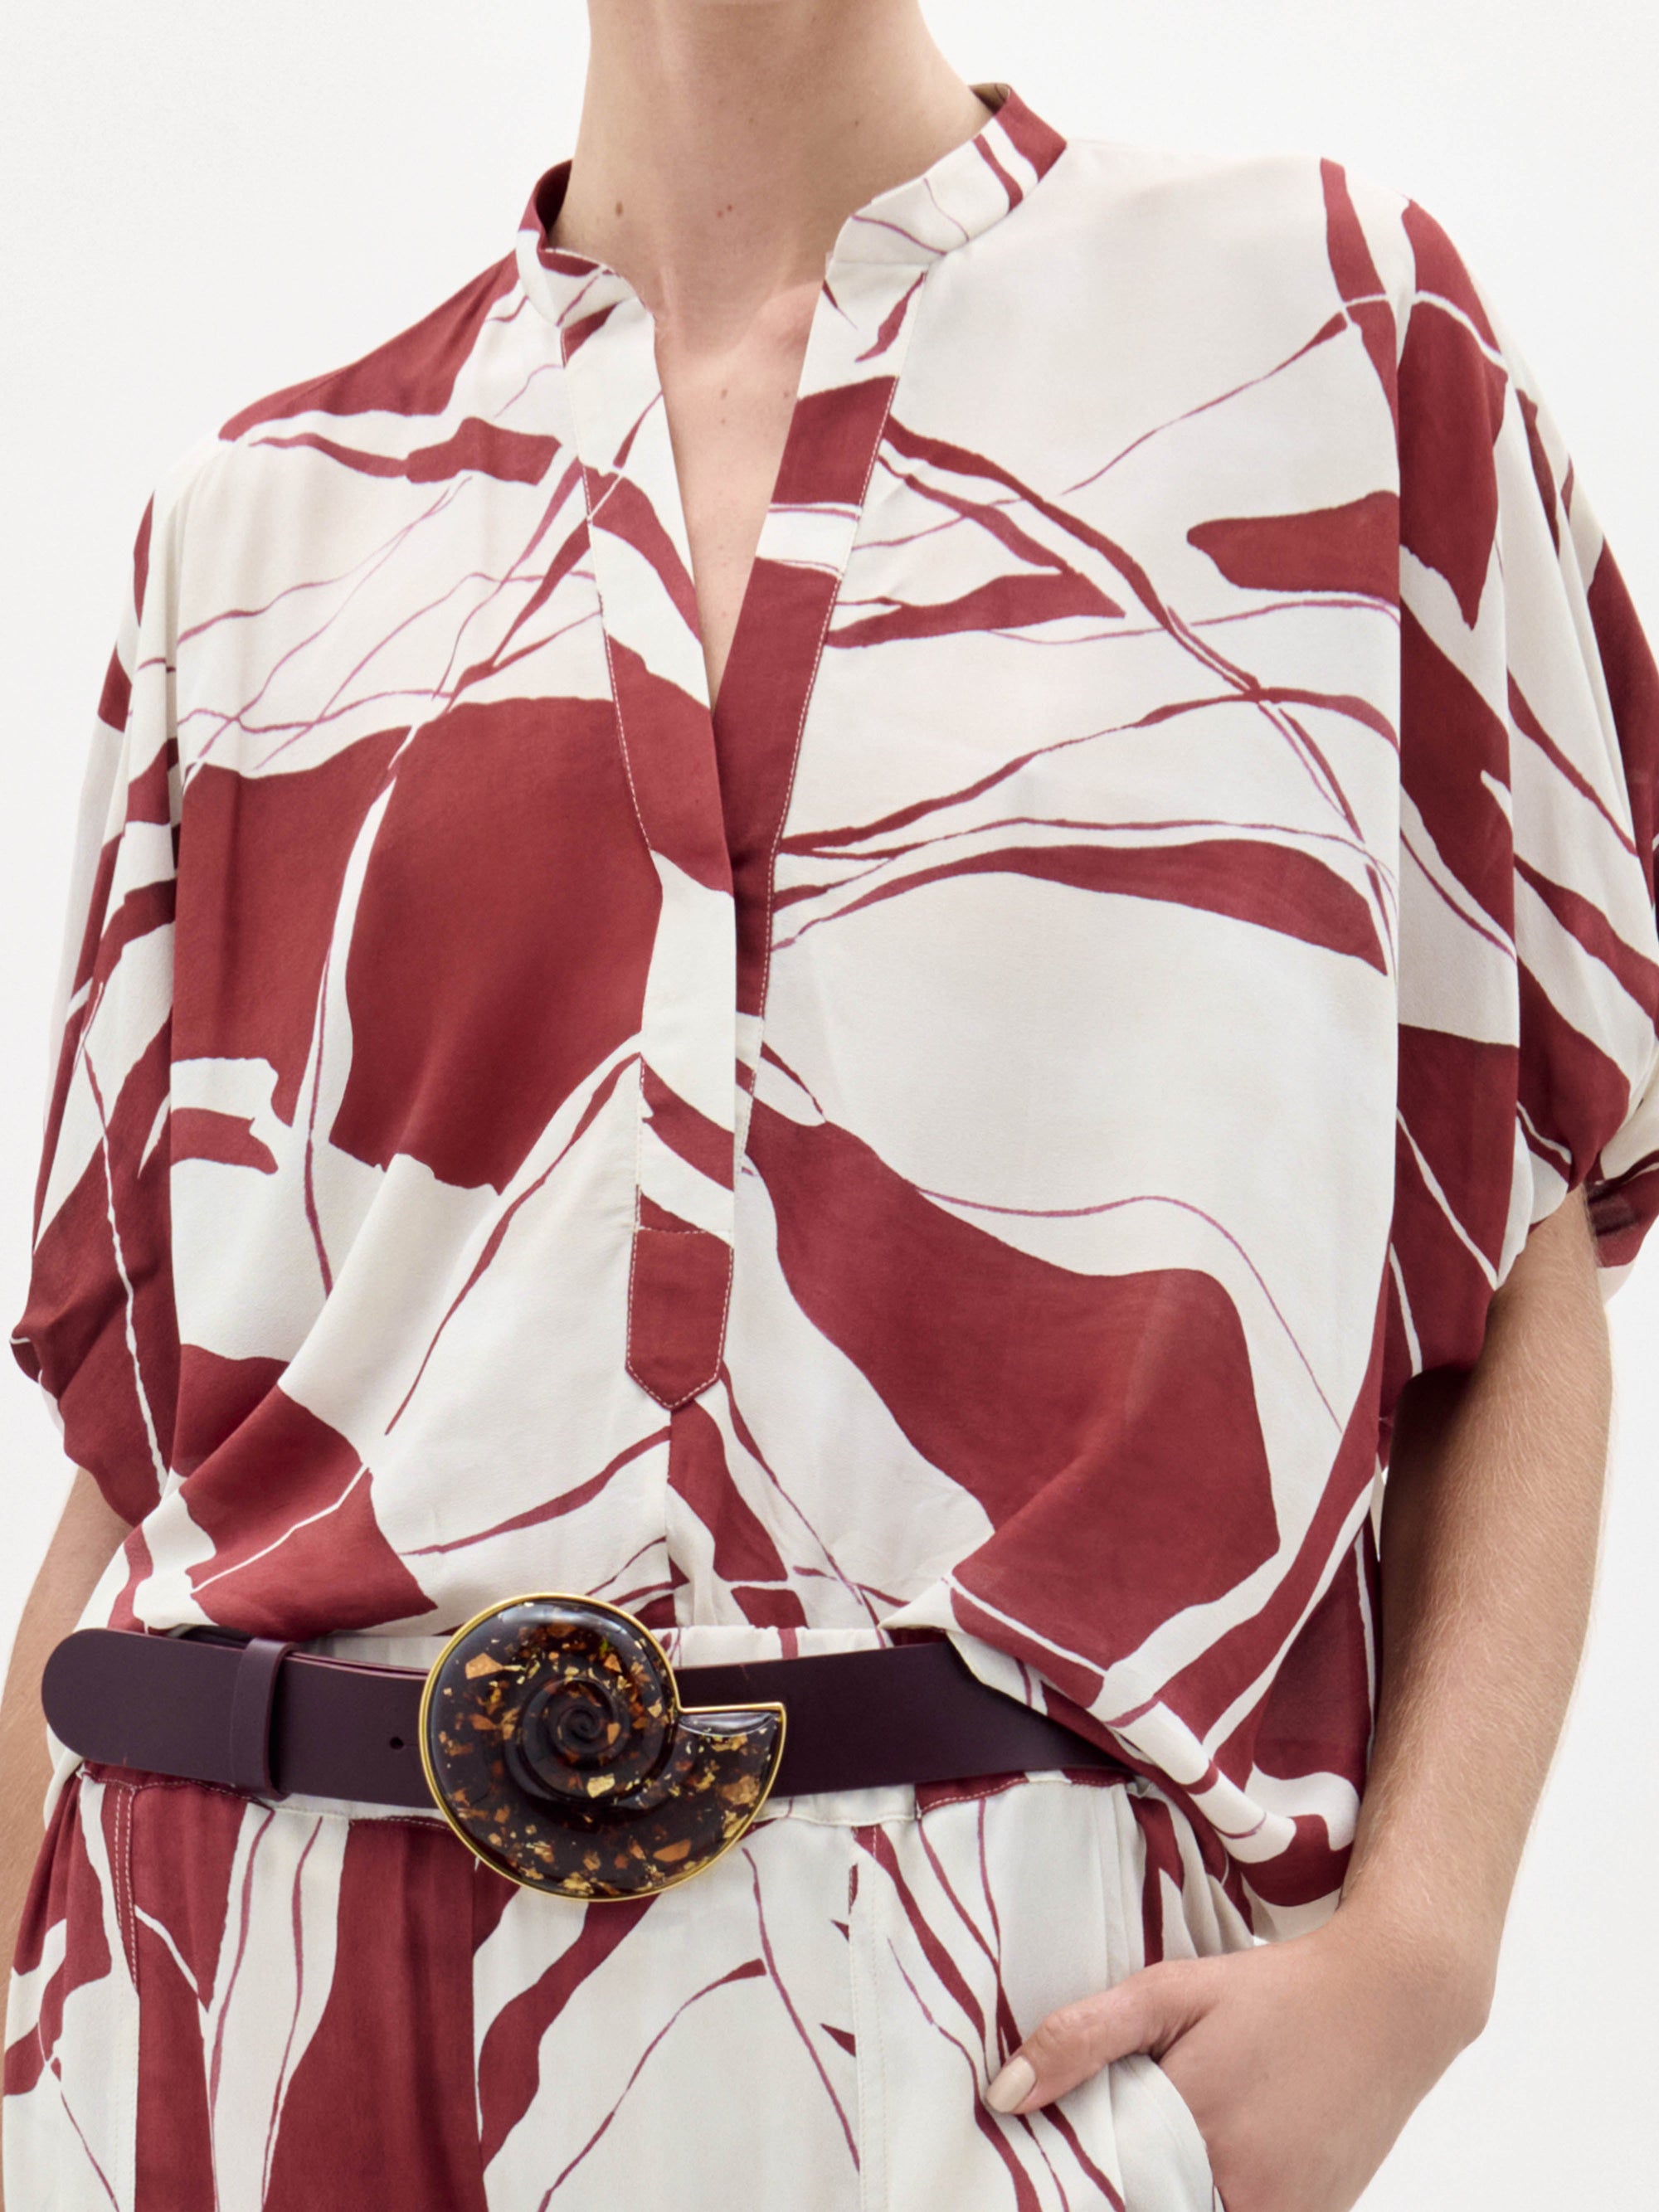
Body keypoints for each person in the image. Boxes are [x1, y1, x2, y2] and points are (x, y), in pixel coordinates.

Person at [2, 3, 1656, 2208]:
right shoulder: (262, 529)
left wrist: (1426, 1950)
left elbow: (1520, 1206)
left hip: (970, 2056)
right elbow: (147, 1480)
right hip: (208, 2018)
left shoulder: (1326, 350)